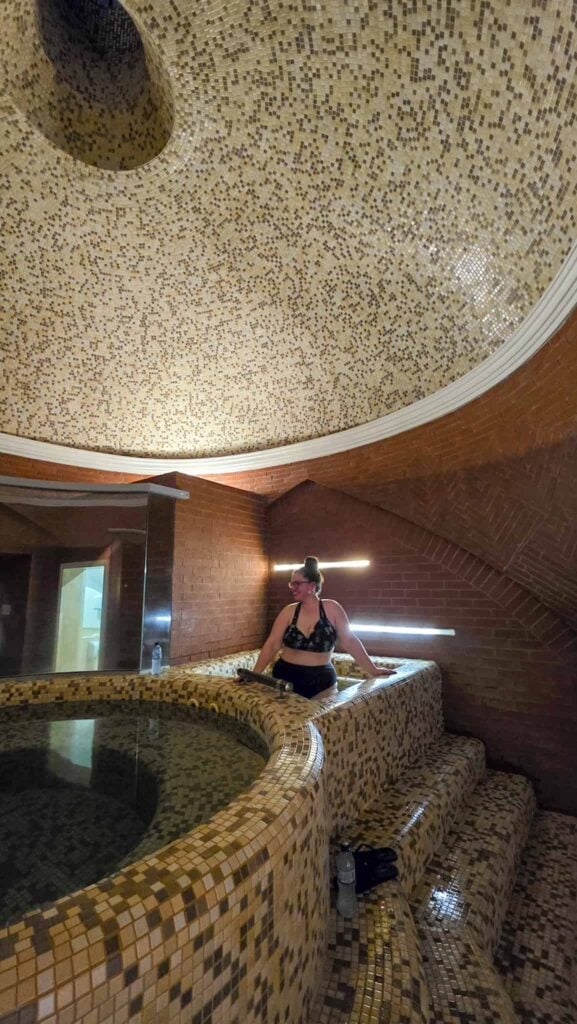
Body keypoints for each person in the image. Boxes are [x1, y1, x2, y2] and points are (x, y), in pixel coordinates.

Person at [250, 556, 396, 699]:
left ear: (312, 585)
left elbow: (349, 641)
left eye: (297, 584)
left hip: (321, 681)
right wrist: (254, 674)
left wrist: (373, 670)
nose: (293, 588)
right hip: (285, 678)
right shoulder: (289, 611)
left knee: (326, 716)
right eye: (291, 584)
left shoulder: (332, 609)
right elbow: (272, 644)